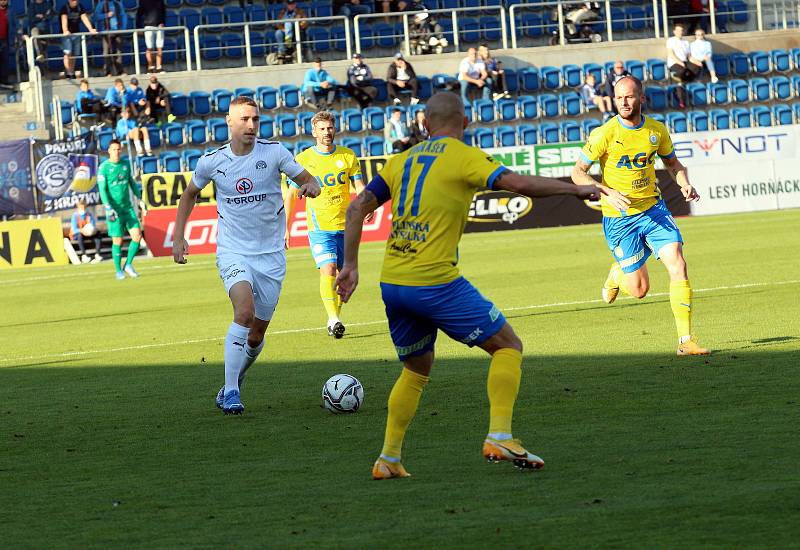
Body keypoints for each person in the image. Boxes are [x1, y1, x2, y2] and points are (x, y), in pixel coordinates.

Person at [335, 91, 602, 479]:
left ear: (424, 124)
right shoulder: (465, 156)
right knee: (508, 346)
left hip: (393, 282)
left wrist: (351, 266)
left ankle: (388, 459)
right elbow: (515, 184)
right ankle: (499, 435)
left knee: (416, 370)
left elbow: (356, 206)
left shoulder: (400, 161)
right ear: (466, 123)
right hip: (435, 281)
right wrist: (573, 189)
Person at [171, 96, 321, 415]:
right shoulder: (212, 161)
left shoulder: (275, 152)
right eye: (244, 120)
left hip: (270, 257)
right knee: (244, 312)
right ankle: (232, 394)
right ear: (229, 121)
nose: (251, 125)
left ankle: (233, 381)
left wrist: (311, 187)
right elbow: (189, 194)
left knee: (256, 335)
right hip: (233, 251)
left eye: (255, 119)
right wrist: (179, 236)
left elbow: (308, 179)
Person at [570, 76, 710, 357]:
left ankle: (685, 340)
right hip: (619, 217)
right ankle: (617, 272)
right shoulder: (604, 133)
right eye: (619, 97)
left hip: (653, 209)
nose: (623, 101)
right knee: (639, 290)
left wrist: (684, 183)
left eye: (629, 96)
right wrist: (604, 190)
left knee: (678, 263)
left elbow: (673, 164)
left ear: (641, 98)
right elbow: (578, 173)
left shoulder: (656, 131)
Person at [284, 111, 369, 339]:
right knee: (329, 269)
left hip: (346, 226)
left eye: (330, 128)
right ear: (314, 132)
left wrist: (366, 206)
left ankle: (335, 320)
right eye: (321, 129)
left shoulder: (349, 156)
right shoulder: (302, 160)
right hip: (319, 227)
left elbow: (359, 186)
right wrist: (286, 227)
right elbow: (291, 195)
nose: (327, 132)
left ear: (335, 129)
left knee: (343, 276)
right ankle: (333, 318)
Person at [97, 139, 143, 280]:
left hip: (127, 208)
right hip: (114, 210)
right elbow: (102, 190)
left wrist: (140, 198)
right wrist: (108, 207)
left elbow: (132, 183)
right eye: (114, 149)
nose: (116, 152)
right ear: (109, 151)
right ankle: (118, 271)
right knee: (118, 240)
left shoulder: (125, 165)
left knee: (137, 235)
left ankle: (128, 264)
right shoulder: (104, 168)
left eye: (118, 149)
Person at [60, 0, 98, 79]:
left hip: (76, 33)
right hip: (66, 35)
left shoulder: (80, 7)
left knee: (74, 54)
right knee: (67, 53)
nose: (75, 2)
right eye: (73, 0)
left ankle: (71, 71)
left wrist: (91, 29)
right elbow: (64, 19)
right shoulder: (64, 8)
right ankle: (68, 72)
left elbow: (84, 18)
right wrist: (65, 30)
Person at [93, 0, 127, 77]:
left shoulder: (118, 4)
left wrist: (123, 29)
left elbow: (123, 15)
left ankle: (120, 71)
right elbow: (95, 17)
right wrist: (106, 15)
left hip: (118, 32)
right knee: (106, 53)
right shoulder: (101, 4)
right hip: (106, 32)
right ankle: (107, 72)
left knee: (119, 52)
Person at [666, 23, 694, 108]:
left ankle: (680, 81)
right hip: (674, 63)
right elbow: (671, 54)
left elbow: (689, 56)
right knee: (683, 71)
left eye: (681, 30)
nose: (680, 32)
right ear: (674, 31)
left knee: (696, 68)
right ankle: (677, 76)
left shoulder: (686, 42)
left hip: (684, 63)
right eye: (678, 30)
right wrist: (680, 62)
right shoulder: (670, 40)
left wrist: (696, 62)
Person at [136, 0, 166, 72]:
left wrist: (163, 22)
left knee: (159, 47)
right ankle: (150, 67)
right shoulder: (143, 1)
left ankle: (159, 67)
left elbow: (164, 12)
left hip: (159, 26)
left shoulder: (160, 1)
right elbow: (139, 14)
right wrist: (138, 27)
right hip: (148, 26)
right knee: (149, 47)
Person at [70, 199, 103, 264]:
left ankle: (97, 254)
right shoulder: (75, 215)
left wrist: (92, 230)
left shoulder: (89, 214)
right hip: (78, 234)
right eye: (81, 206)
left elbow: (92, 225)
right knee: (79, 235)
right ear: (78, 207)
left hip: (88, 234)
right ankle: (84, 255)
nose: (83, 208)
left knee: (98, 233)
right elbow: (74, 229)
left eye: (84, 206)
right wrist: (82, 230)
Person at [22, 0, 53, 67]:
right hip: (35, 29)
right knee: (34, 33)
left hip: (45, 31)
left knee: (41, 44)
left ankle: (41, 60)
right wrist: (44, 16)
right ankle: (40, 55)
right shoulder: (31, 6)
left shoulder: (47, 4)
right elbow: (32, 18)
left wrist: (39, 16)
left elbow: (50, 16)